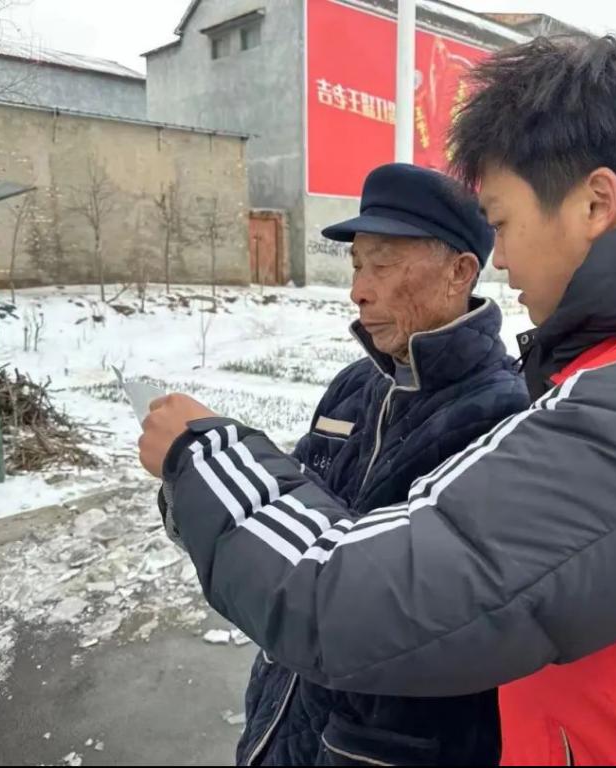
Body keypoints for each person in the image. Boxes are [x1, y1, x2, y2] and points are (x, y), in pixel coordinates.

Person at [141, 35, 616, 765]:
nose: (505, 257)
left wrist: (202, 455)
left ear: (595, 203)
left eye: (502, 222)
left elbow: (351, 603)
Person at [182, 163, 527, 765]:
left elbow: (414, 613)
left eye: (383, 266)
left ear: (460, 272)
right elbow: (284, 529)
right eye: (356, 265)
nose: (358, 291)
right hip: (282, 720)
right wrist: (194, 484)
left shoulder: (502, 417)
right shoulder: (354, 388)